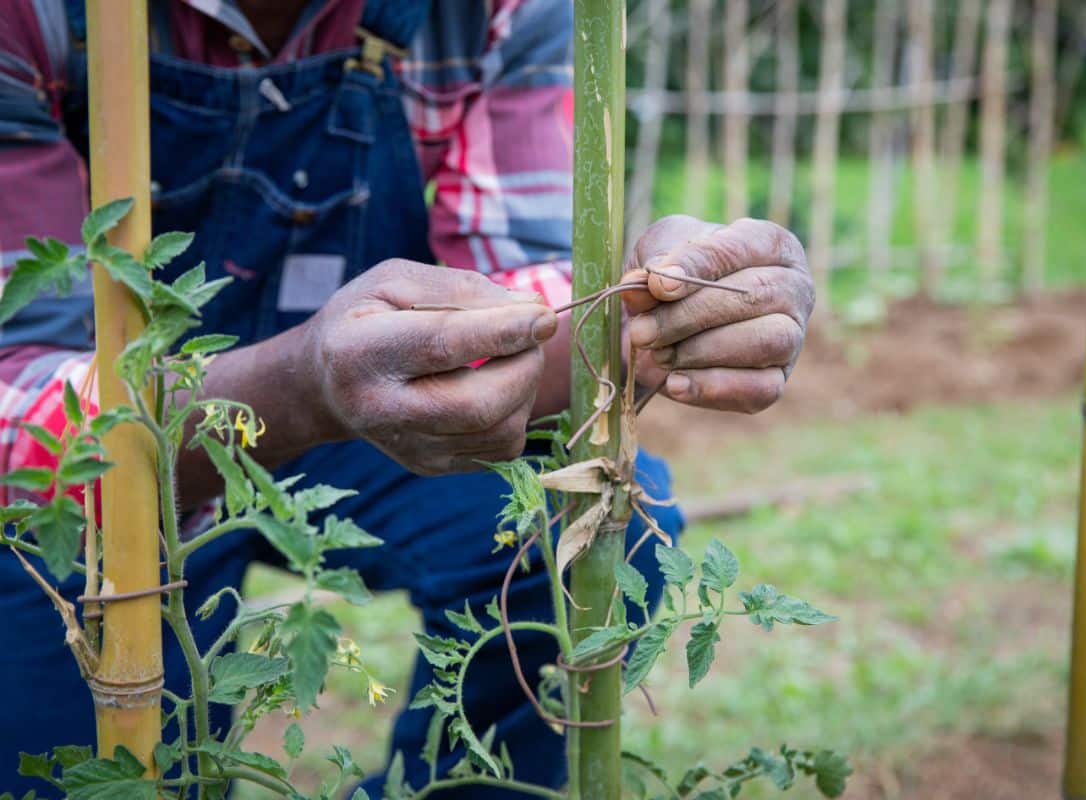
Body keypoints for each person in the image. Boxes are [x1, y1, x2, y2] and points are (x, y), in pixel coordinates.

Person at [0, 1, 814, 796]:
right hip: (101, 462)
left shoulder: (498, 8)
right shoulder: (33, 16)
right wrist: (298, 385)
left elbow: (524, 282)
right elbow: (18, 385)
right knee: (110, 758)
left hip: (375, 406)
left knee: (589, 527)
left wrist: (653, 317)